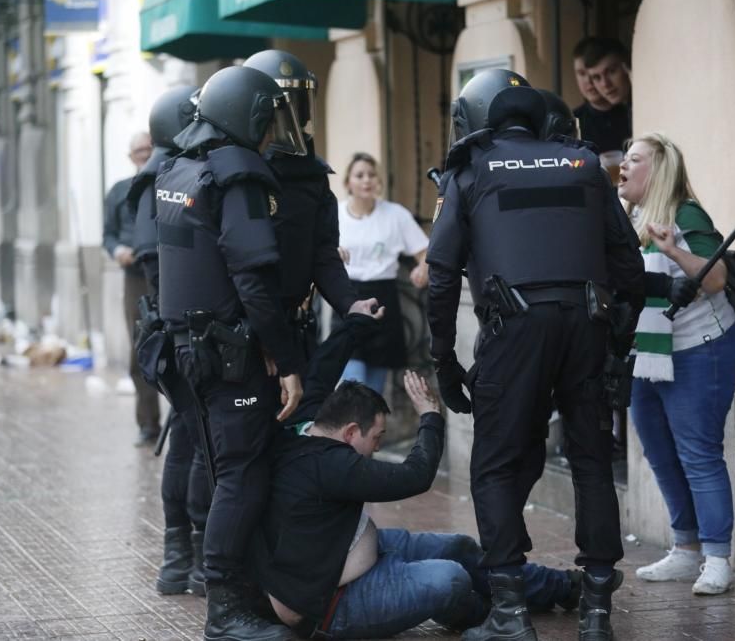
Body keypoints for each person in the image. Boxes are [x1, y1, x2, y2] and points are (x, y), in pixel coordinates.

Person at [426, 69, 646, 641]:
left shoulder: (471, 168)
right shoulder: (585, 165)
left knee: (494, 466)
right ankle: (597, 610)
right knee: (593, 462)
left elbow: (442, 274)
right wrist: (617, 342)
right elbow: (629, 267)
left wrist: (443, 360)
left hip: (513, 328)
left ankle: (508, 613)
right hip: (587, 327)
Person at [249, 313, 581, 639]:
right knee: (450, 578)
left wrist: (355, 321)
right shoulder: (333, 465)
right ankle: (490, 618)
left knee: (459, 547)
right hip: (336, 603)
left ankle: (563, 587)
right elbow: (415, 476)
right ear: (351, 432)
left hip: (355, 549)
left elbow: (322, 371)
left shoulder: (307, 425)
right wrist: (429, 417)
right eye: (376, 438)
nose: (376, 449)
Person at [157, 65, 310, 640]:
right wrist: (288, 358)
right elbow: (252, 281)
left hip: (185, 354)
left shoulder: (178, 168)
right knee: (242, 475)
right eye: (267, 118)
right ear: (246, 116)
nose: (272, 131)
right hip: (229, 358)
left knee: (224, 472)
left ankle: (236, 593)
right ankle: (225, 613)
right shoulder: (238, 177)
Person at [616, 132, 735, 596]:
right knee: (660, 453)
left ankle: (716, 557)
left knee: (698, 453)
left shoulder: (685, 214)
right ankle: (685, 549)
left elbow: (717, 278)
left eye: (634, 159)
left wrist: (672, 249)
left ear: (659, 170)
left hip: (700, 348)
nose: (623, 166)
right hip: (647, 352)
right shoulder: (628, 217)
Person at [126, 84, 212, 598]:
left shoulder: (152, 176)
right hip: (181, 330)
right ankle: (194, 557)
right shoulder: (170, 177)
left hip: (166, 327)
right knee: (194, 442)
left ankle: (179, 558)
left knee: (184, 439)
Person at [242, 50, 367, 358]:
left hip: (295, 325)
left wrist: (350, 303)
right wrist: (267, 340)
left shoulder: (312, 175)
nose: (289, 121)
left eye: (297, 105)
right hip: (245, 333)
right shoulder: (233, 175)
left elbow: (323, 253)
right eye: (279, 111)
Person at [336, 152, 429, 395]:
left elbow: (425, 251)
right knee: (352, 383)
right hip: (348, 299)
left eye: (371, 174)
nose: (367, 180)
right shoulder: (335, 215)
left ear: (378, 180)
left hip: (383, 300)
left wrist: (422, 267)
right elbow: (316, 252)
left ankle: (370, 431)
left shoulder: (396, 215)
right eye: (359, 175)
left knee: (375, 390)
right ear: (348, 183)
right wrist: (332, 254)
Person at [103, 130, 160, 446]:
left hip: (167, 274)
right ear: (130, 156)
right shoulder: (118, 191)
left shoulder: (167, 182)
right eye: (138, 149)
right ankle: (149, 423)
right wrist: (117, 251)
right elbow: (108, 234)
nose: (144, 153)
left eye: (148, 148)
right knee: (141, 350)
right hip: (135, 277)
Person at [571, 38, 630, 156]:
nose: (589, 81)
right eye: (582, 74)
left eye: (611, 71)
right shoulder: (572, 122)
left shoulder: (632, 110)